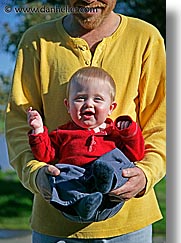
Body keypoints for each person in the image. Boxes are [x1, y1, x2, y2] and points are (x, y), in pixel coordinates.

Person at [5, 0, 166, 243]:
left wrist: (146, 174)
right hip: (55, 227)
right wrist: (35, 174)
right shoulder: (36, 40)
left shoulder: (145, 37)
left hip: (131, 226)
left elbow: (162, 122)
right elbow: (18, 121)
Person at [27, 66, 144, 223]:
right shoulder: (62, 134)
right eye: (80, 98)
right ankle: (83, 204)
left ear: (111, 108)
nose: (88, 104)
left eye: (97, 99)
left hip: (111, 196)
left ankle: (105, 178)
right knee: (60, 173)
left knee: (120, 161)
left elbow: (136, 155)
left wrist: (129, 132)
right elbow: (45, 156)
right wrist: (38, 130)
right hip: (78, 186)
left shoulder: (114, 133)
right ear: (68, 106)